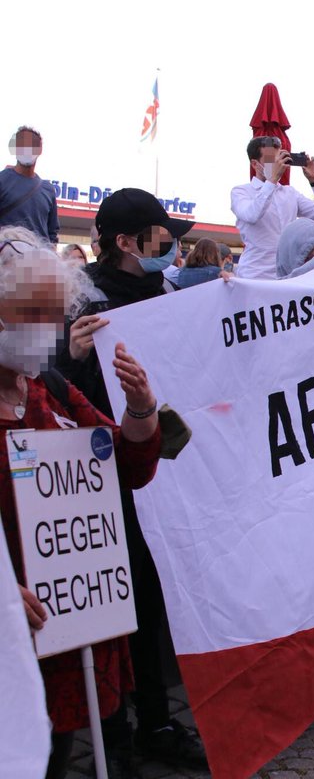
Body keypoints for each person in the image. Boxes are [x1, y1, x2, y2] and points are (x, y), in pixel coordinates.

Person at [53, 189, 210, 771]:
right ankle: (114, 736)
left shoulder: (164, 293)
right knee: (115, 607)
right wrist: (70, 356)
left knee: (153, 600)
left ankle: (157, 722)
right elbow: (55, 391)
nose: (169, 244)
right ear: (125, 242)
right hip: (104, 484)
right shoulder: (81, 303)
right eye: (158, 236)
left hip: (167, 472)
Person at [0, 230, 162, 779]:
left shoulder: (47, 388)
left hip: (62, 631)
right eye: (28, 311)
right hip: (9, 638)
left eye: (51, 312)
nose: (43, 326)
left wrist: (141, 411)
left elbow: (123, 463)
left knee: (55, 754)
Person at [230, 136, 314, 279]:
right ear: (255, 164)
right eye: (271, 159)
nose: (279, 164)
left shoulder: (289, 193)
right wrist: (272, 180)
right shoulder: (241, 192)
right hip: (254, 275)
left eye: (280, 158)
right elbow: (252, 215)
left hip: (287, 276)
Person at [0, 126, 59, 243]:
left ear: (40, 150)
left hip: (38, 258)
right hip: (7, 256)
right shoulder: (2, 180)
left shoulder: (48, 190)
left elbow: (52, 233)